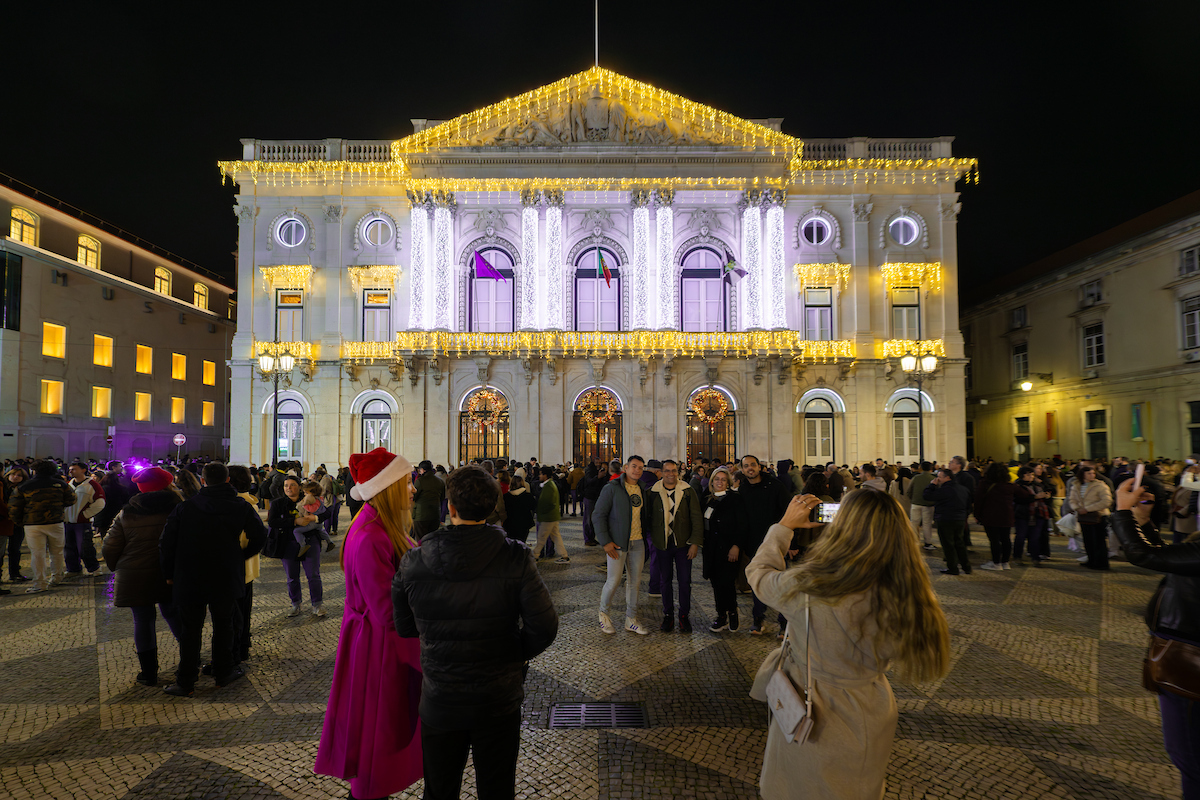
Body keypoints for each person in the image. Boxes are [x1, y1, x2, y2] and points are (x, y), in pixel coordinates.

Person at [748, 490, 950, 800]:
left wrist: (784, 526)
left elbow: (759, 575)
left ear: (843, 530)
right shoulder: (906, 591)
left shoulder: (810, 585)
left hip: (813, 709)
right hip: (870, 705)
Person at [393, 464, 558, 800]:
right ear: (492, 507)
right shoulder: (515, 557)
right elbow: (545, 627)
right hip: (496, 699)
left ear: (450, 507)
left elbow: (405, 626)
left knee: (439, 791)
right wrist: (514, 652)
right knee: (497, 790)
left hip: (441, 696)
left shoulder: (414, 560)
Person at [316, 448, 423, 800]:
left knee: (386, 729)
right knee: (379, 730)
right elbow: (387, 611)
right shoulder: (370, 536)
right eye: (407, 482)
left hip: (383, 641)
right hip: (380, 647)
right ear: (388, 487)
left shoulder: (380, 527)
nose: (413, 490)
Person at [1111, 477, 1200, 799]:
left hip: (1189, 664)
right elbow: (1166, 555)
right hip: (1180, 653)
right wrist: (1143, 523)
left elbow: (1145, 557)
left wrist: (1121, 510)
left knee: (1189, 758)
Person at [159, 462, 266, 696]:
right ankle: (223, 672)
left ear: (204, 480)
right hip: (225, 574)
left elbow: (167, 543)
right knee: (224, 625)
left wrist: (168, 574)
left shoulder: (186, 507)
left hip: (190, 575)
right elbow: (260, 536)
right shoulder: (240, 506)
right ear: (227, 480)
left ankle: (185, 681)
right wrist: (240, 556)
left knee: (190, 629)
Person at [101, 466, 183, 686]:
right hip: (172, 572)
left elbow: (110, 546)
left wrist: (118, 568)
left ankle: (149, 673)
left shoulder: (127, 512)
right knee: (174, 615)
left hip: (135, 573)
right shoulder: (179, 508)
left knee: (143, 620)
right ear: (168, 484)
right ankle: (189, 662)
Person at [593, 455, 654, 635]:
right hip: (617, 543)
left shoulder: (643, 489)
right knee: (613, 580)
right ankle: (604, 615)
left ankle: (631, 619)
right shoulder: (612, 488)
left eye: (641, 468)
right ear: (625, 468)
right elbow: (598, 515)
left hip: (638, 542)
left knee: (635, 583)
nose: (637, 470)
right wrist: (605, 542)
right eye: (634, 466)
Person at [737, 455, 793, 635]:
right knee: (757, 583)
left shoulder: (775, 486)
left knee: (782, 584)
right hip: (754, 544)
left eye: (752, 465)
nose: (750, 468)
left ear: (759, 467)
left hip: (777, 543)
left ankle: (784, 623)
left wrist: (792, 541)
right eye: (746, 466)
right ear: (742, 469)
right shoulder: (742, 489)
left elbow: (788, 513)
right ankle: (758, 619)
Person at [647, 459, 703, 633]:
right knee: (665, 581)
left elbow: (696, 517)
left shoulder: (687, 491)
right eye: (667, 471)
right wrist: (652, 539)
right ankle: (668, 615)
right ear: (661, 472)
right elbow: (647, 518)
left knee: (685, 581)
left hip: (683, 544)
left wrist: (695, 543)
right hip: (662, 544)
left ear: (678, 472)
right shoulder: (652, 493)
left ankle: (684, 615)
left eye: (673, 471)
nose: (670, 474)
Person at [8, 460, 76, 594]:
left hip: (33, 524)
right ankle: (57, 577)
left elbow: (14, 507)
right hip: (56, 522)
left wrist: (21, 522)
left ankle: (40, 583)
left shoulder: (25, 486)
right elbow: (71, 500)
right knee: (57, 552)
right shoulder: (61, 484)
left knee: (37, 554)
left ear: (34, 471)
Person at [270, 475, 329, 617]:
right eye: (286, 485)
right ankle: (295, 603)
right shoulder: (278, 503)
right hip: (288, 543)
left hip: (310, 542)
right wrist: (295, 522)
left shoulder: (310, 498)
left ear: (299, 487)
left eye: (292, 485)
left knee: (313, 575)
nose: (288, 488)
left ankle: (317, 605)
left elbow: (326, 512)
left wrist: (314, 518)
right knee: (292, 576)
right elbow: (273, 522)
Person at [702, 467, 746, 632]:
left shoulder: (735, 499)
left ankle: (732, 612)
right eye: (716, 479)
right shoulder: (707, 499)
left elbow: (742, 525)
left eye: (723, 479)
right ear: (712, 481)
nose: (719, 482)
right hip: (711, 549)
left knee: (726, 583)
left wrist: (736, 545)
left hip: (728, 548)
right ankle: (721, 615)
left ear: (728, 482)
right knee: (716, 584)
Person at [227, 465, 261, 665]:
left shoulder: (239, 505)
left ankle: (236, 651)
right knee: (243, 611)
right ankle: (242, 647)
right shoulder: (250, 503)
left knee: (234, 614)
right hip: (248, 568)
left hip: (237, 568)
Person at [924, 468, 973, 575]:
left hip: (945, 519)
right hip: (959, 519)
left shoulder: (944, 490)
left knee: (948, 544)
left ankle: (953, 568)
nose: (938, 479)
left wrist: (932, 485)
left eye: (940, 477)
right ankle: (966, 567)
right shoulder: (963, 489)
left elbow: (927, 496)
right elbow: (969, 504)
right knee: (959, 543)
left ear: (947, 477)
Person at [64, 461, 105, 578]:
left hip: (82, 523)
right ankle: (73, 569)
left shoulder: (92, 485)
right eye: (70, 469)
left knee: (85, 547)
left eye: (74, 469)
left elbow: (100, 503)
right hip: (68, 521)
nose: (71, 471)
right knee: (69, 547)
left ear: (83, 470)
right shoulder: (68, 485)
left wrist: (86, 515)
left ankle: (94, 568)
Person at [974, 462, 1015, 571]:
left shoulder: (984, 484)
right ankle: (1005, 562)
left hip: (990, 516)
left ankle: (996, 563)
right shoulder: (1009, 485)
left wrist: (977, 514)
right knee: (1006, 539)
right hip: (1006, 515)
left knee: (994, 540)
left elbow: (978, 500)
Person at [1071, 465, 1113, 571]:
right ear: (1082, 475)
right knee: (1088, 540)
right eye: (1089, 473)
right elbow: (1072, 499)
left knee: (1098, 541)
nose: (1092, 475)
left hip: (1098, 516)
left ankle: (1101, 563)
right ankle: (1091, 560)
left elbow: (1106, 501)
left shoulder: (1100, 485)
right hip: (1084, 516)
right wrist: (1077, 508)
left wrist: (1088, 509)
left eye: (1093, 473)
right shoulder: (1076, 485)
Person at [2, 465, 31, 583]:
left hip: (18, 522)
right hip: (4, 521)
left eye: (19, 475)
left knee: (15, 549)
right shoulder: (3, 487)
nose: (15, 477)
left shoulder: (25, 489)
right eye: (13, 474)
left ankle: (14, 573)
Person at [534, 465, 568, 563]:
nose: (539, 476)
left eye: (541, 474)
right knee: (556, 537)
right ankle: (564, 555)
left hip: (548, 517)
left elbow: (546, 502)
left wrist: (541, 512)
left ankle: (535, 556)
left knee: (541, 537)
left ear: (545, 475)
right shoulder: (550, 484)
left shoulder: (549, 486)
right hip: (552, 516)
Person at [291, 480, 335, 555]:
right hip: (318, 523)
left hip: (313, 523)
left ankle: (303, 545)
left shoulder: (312, 499)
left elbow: (312, 509)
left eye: (306, 493)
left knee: (296, 531)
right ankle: (329, 542)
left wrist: (303, 505)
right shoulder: (318, 499)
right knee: (321, 530)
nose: (305, 494)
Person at [907, 461, 937, 551]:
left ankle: (914, 541)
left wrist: (912, 499)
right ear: (931, 468)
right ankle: (928, 543)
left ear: (921, 467)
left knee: (914, 523)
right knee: (927, 524)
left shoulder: (916, 478)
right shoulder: (933, 478)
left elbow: (909, 490)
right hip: (928, 504)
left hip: (916, 503)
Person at [412, 460, 445, 540]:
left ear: (422, 470)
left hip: (421, 516)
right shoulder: (440, 481)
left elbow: (414, 496)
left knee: (421, 540)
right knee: (432, 540)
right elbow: (442, 498)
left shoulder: (420, 481)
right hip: (435, 514)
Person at [502, 475, 536, 544]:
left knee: (511, 543)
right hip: (524, 523)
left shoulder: (506, 497)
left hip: (509, 524)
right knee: (522, 542)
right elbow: (534, 507)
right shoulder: (528, 496)